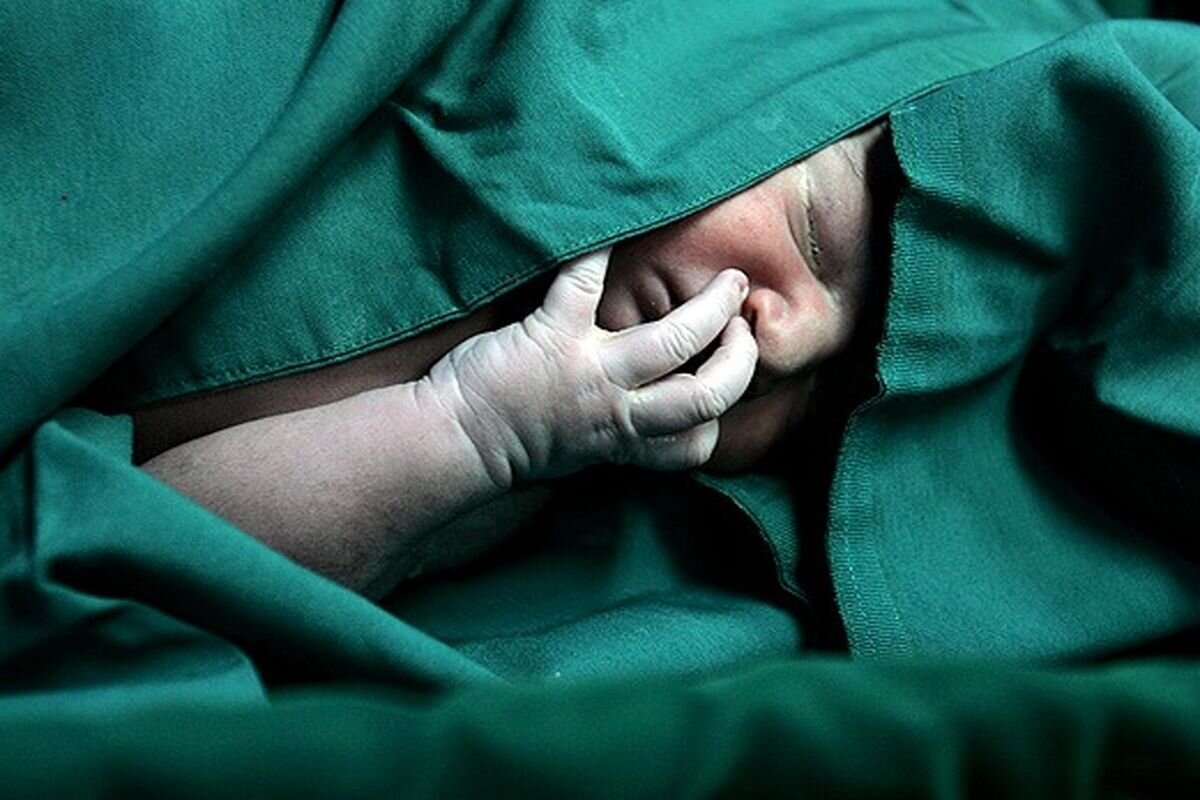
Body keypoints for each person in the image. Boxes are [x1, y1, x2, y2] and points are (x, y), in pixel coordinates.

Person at [138, 123, 897, 597]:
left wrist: (478, 431)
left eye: (819, 399)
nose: (788, 343)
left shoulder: (526, 482)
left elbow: (140, 545)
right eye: (814, 236)